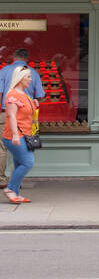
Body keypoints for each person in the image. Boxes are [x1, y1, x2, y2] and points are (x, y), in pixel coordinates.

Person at [0, 49, 45, 187]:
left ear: (14, 57)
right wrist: (35, 101)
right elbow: (41, 95)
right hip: (26, 116)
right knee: (22, 147)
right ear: (27, 58)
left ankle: (1, 180)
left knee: (2, 148)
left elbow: (0, 92)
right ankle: (15, 181)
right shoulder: (33, 72)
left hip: (5, 112)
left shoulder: (4, 70)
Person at [3, 64, 38, 203]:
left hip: (26, 134)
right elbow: (11, 116)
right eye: (28, 77)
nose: (30, 79)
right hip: (15, 136)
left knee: (19, 165)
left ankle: (15, 194)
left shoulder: (25, 94)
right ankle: (10, 189)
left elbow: (25, 113)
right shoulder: (12, 95)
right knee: (28, 163)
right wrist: (15, 135)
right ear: (20, 78)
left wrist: (34, 104)